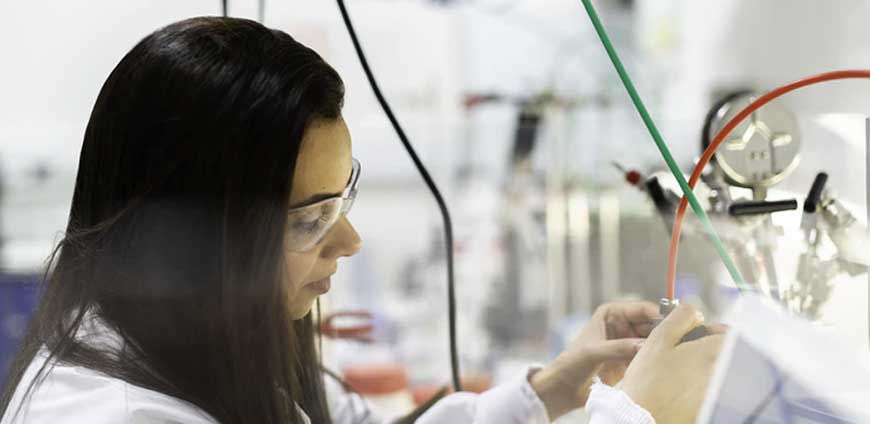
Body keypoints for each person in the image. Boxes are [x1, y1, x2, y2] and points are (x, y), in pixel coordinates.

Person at [0, 17, 723, 424]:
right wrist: (634, 416)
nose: (349, 241)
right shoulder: (114, 417)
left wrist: (555, 390)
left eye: (343, 197)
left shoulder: (211, 346)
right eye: (310, 221)